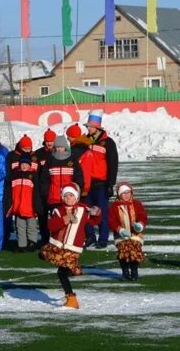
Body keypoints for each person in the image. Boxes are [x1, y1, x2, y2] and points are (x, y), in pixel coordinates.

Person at [39, 183, 101, 309]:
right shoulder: (58, 210)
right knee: (45, 256)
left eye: (71, 196)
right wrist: (65, 219)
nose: (69, 198)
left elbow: (95, 221)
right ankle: (71, 279)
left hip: (73, 248)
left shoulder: (83, 210)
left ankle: (71, 297)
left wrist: (96, 212)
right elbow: (51, 226)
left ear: (77, 197)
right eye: (66, 196)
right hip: (58, 246)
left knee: (61, 273)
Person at [39, 135, 84, 244]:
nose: (59, 149)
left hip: (68, 198)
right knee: (56, 222)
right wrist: (46, 193)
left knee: (69, 220)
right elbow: (44, 179)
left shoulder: (72, 159)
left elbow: (79, 177)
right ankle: (55, 242)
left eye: (61, 147)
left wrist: (77, 193)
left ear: (66, 147)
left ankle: (69, 241)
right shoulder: (50, 159)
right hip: (53, 198)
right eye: (57, 147)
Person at [84, 110, 119, 248]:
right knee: (87, 212)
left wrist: (110, 184)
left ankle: (103, 238)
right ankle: (90, 236)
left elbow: (113, 164)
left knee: (102, 213)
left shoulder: (108, 143)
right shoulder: (85, 141)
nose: (87, 128)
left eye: (89, 126)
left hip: (101, 184)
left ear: (97, 127)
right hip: (87, 184)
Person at [108, 182, 148, 281]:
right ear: (119, 194)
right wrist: (119, 229)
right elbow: (111, 221)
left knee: (135, 251)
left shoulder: (137, 204)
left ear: (131, 192)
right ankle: (125, 271)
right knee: (124, 252)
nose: (126, 195)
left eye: (128, 192)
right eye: (123, 193)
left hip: (135, 234)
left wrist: (140, 225)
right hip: (121, 235)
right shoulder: (114, 206)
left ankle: (134, 272)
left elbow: (143, 216)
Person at [5, 156, 42, 252]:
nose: (24, 166)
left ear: (30, 165)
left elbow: (37, 192)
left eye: (26, 164)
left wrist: (37, 206)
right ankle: (22, 245)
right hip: (18, 206)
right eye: (22, 164)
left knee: (31, 226)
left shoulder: (33, 175)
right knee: (20, 226)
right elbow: (10, 190)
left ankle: (32, 243)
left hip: (30, 206)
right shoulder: (14, 174)